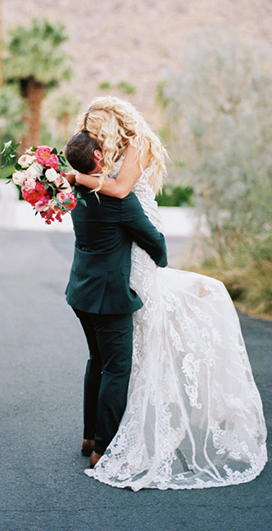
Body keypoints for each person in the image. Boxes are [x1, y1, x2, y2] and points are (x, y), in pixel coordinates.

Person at [72, 96, 267, 491]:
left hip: (126, 239)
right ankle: (105, 438)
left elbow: (123, 188)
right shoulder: (104, 171)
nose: (92, 138)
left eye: (95, 132)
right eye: (89, 134)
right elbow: (122, 204)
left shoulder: (135, 145)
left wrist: (76, 177)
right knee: (118, 356)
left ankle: (102, 431)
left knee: (119, 344)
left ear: (110, 127)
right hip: (129, 237)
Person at [64, 130, 168, 469]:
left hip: (81, 291)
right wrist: (160, 259)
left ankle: (90, 436)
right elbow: (155, 242)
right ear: (97, 158)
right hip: (110, 298)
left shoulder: (75, 191)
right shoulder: (119, 200)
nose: (108, 147)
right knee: (116, 368)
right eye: (102, 145)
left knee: (97, 360)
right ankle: (103, 450)